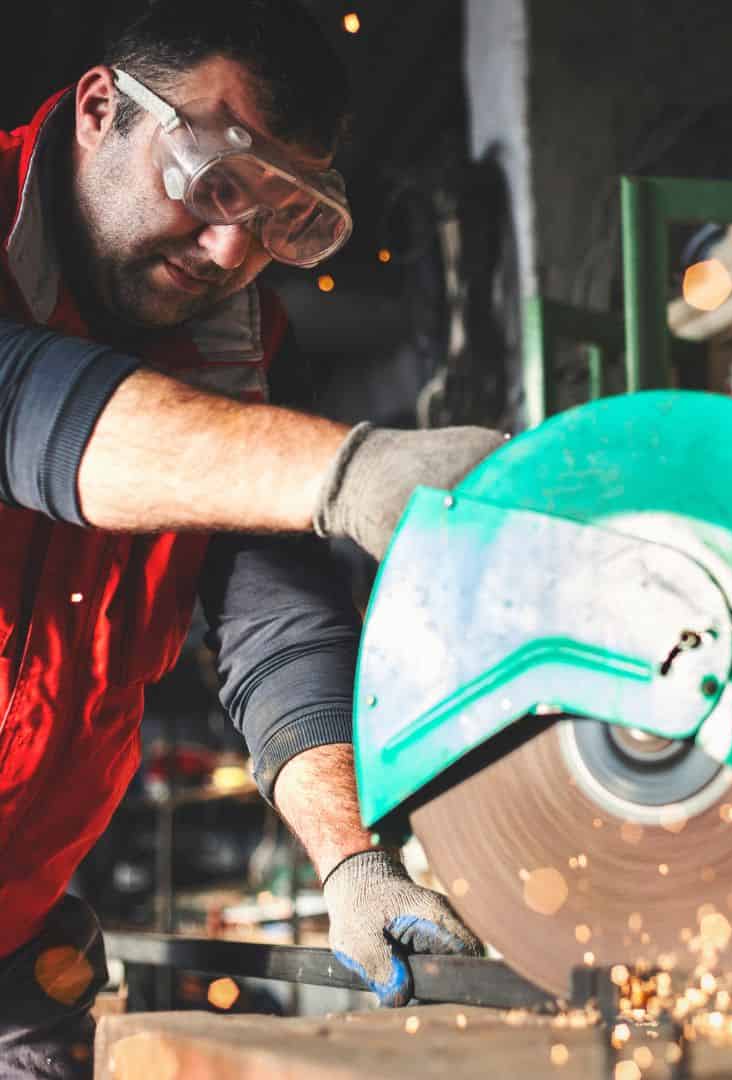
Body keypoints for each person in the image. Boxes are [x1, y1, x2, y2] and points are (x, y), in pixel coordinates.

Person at [0, 1, 503, 1075]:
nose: (235, 249)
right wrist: (346, 471)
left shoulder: (241, 351)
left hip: (16, 938)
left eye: (284, 218)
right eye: (214, 182)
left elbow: (272, 619)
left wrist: (352, 863)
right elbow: (25, 411)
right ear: (102, 109)